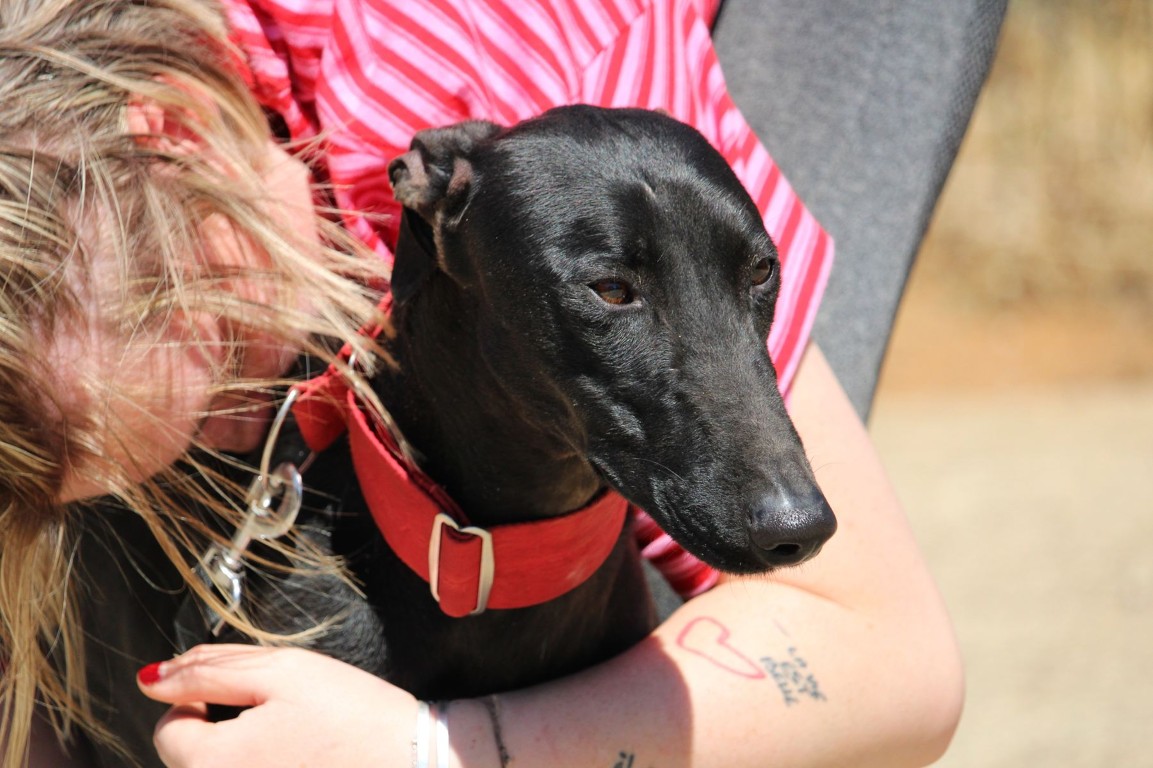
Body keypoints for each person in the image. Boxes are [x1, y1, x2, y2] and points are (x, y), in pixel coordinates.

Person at [0, 1, 968, 766]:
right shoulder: (67, 158)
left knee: (741, 535)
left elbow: (888, 662)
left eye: (221, 374)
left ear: (174, 135)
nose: (235, 436)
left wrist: (426, 750)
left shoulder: (547, 137)